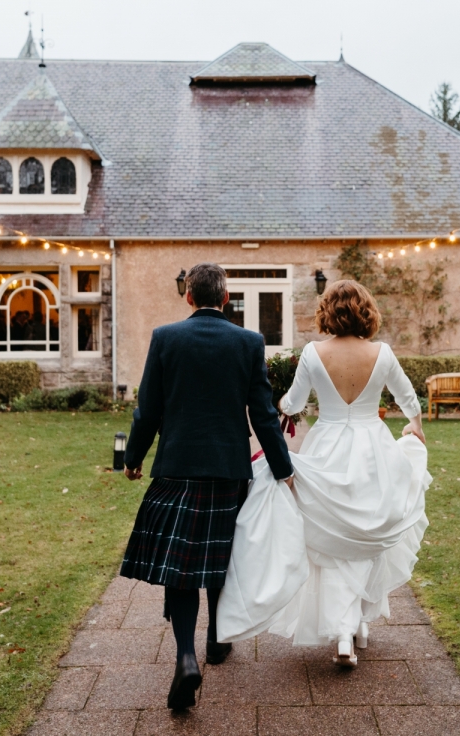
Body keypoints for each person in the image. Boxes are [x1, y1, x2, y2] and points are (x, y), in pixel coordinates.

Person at [218, 279, 430, 667]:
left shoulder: (314, 354)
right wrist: (416, 427)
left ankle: (346, 630)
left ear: (328, 311)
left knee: (333, 540)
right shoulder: (382, 354)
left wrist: (278, 392)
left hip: (329, 446)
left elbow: (293, 403)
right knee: (364, 535)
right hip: (373, 452)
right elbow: (407, 397)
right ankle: (354, 626)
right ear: (366, 311)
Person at [119, 263, 293, 711]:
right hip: (227, 469)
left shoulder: (165, 337)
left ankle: (185, 656)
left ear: (189, 297)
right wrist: (283, 467)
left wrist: (133, 457)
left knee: (180, 566)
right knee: (219, 555)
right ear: (227, 298)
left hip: (176, 467)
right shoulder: (249, 342)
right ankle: (216, 640)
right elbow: (264, 414)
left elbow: (147, 410)